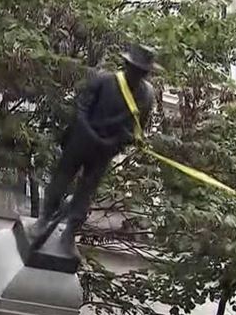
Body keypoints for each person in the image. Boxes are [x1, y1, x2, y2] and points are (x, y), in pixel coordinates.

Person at [28, 44, 159, 250]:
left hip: (106, 150)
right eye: (134, 68)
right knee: (61, 178)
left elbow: (136, 130)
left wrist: (116, 142)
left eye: (141, 71)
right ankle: (44, 219)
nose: (137, 74)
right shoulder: (104, 80)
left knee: (86, 191)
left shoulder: (146, 96)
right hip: (81, 140)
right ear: (126, 65)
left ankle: (71, 231)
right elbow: (81, 109)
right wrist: (91, 135)